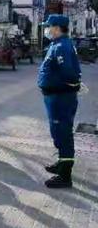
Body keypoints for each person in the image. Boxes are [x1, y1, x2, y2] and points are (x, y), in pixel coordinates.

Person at [38, 14, 81, 189]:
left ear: (57, 28)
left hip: (60, 98)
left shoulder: (62, 46)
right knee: (58, 132)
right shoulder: (57, 44)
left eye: (49, 27)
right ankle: (61, 163)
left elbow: (69, 73)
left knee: (62, 132)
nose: (47, 30)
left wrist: (73, 85)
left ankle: (65, 176)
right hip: (56, 97)